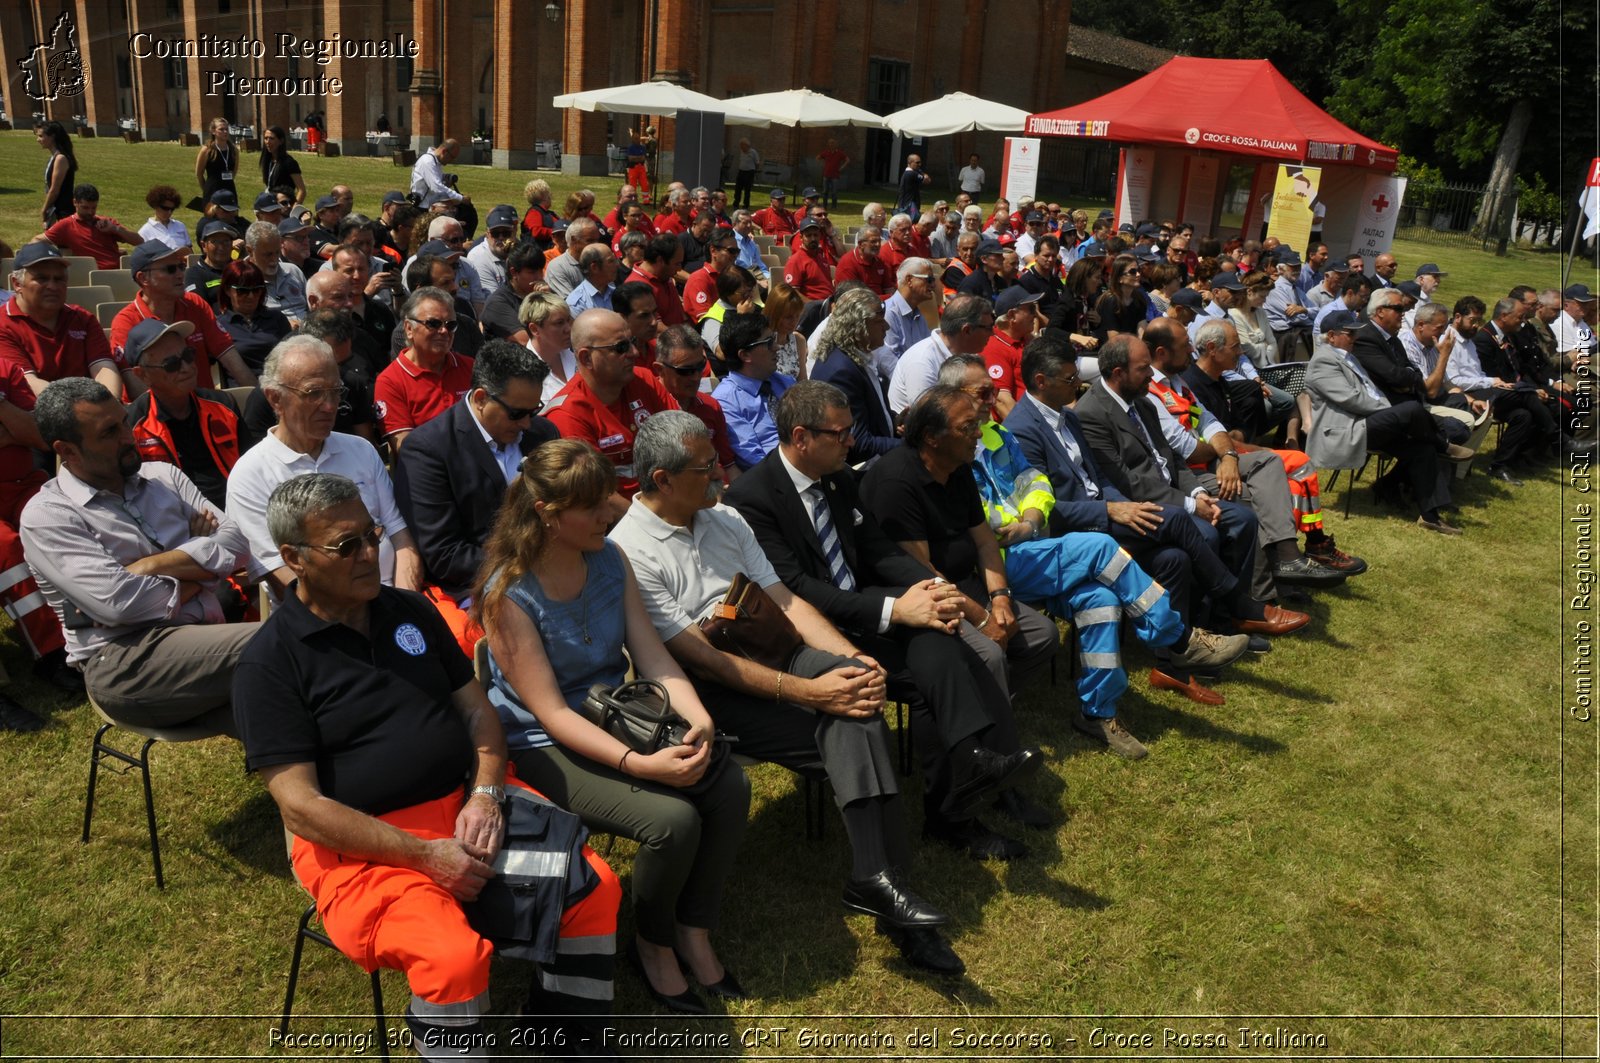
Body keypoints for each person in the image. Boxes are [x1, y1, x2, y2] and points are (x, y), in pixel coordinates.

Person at [236, 472, 620, 1057]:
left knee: (593, 889)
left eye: (372, 535)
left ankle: (563, 1035)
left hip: (471, 806)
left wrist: (486, 795)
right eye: (348, 546)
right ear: (293, 558)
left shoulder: (411, 612)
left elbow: (477, 716)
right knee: (452, 955)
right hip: (364, 847)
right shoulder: (269, 664)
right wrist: (423, 856)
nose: (372, 553)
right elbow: (303, 808)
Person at [617, 411, 972, 974]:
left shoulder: (725, 518)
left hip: (780, 653)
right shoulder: (629, 552)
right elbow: (703, 662)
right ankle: (895, 908)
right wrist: (814, 692)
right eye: (708, 468)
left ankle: (877, 881)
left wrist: (852, 660)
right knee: (857, 720)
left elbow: (785, 602)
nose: (722, 476)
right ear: (662, 479)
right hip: (715, 694)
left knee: (854, 700)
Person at [477, 439, 750, 1014]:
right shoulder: (509, 596)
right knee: (671, 821)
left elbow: (650, 654)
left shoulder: (609, 558)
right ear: (550, 517)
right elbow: (550, 713)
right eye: (597, 504)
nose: (615, 511)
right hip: (544, 745)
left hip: (617, 714)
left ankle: (692, 931)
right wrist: (640, 765)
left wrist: (697, 716)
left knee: (727, 784)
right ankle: (651, 947)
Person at [938, 357, 1247, 758]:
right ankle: (1179, 638)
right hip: (994, 562)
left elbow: (1036, 483)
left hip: (1031, 542)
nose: (994, 399)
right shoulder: (953, 447)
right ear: (953, 397)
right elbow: (981, 520)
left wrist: (1030, 519)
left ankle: (1097, 714)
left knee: (1099, 602)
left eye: (993, 391)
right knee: (1101, 547)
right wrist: (1023, 522)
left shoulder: (996, 434)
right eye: (983, 393)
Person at [22, 377, 260, 730]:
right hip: (124, 660)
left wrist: (149, 566)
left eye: (123, 422)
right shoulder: (49, 515)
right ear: (67, 451)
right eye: (108, 433)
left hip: (203, 636)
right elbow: (122, 605)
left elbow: (239, 546)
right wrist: (206, 574)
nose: (127, 436)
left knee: (284, 701)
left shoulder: (164, 477)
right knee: (278, 642)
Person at [1073, 335, 1309, 638]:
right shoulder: (1091, 414)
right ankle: (1208, 622)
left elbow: (1171, 459)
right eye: (1144, 369)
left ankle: (1231, 617)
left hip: (1176, 493)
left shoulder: (1142, 403)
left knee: (1243, 519)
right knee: (1207, 532)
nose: (1151, 375)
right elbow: (1128, 483)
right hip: (1144, 507)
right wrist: (1190, 504)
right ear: (1118, 373)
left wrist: (1197, 493)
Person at [228, 336, 424, 591]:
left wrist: (402, 603)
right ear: (275, 399)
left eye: (335, 391)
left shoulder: (361, 449)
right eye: (314, 393)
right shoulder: (250, 475)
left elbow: (400, 537)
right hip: (321, 619)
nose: (330, 406)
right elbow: (280, 575)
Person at [1172, 320, 1360, 582]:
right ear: (1213, 349)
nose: (1241, 353)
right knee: (1298, 464)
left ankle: (1298, 554)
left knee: (1295, 477)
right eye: (1236, 346)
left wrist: (1233, 441)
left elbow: (1228, 433)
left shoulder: (1220, 381)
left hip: (1228, 454)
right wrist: (1257, 448)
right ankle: (1304, 550)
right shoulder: (1193, 384)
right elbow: (1216, 440)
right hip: (1212, 464)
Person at [394, 339, 557, 638]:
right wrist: (531, 559)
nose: (526, 424)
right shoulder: (429, 451)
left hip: (556, 568)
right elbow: (444, 555)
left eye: (534, 411)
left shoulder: (543, 434)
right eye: (517, 413)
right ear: (481, 398)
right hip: (484, 584)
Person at [1305, 311, 1462, 535]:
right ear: (1331, 335)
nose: (1355, 338)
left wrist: (1392, 412)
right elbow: (1352, 400)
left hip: (1365, 421)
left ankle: (1429, 515)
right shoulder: (1323, 360)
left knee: (1421, 447)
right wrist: (1392, 412)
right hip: (1347, 429)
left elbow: (1372, 392)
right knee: (1411, 410)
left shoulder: (1348, 356)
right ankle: (1443, 444)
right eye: (1350, 334)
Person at [544, 308, 677, 497]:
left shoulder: (644, 379)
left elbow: (683, 439)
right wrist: (656, 523)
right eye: (621, 348)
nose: (634, 352)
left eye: (632, 342)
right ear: (586, 358)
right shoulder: (566, 414)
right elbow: (600, 494)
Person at [113, 240, 257, 397]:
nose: (181, 274)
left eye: (181, 266)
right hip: (159, 415)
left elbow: (230, 358)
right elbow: (137, 388)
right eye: (170, 269)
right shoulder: (126, 322)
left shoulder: (195, 304)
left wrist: (262, 401)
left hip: (206, 407)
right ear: (143, 278)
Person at [0, 243, 121, 398]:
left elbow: (104, 368)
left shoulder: (82, 318)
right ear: (17, 284)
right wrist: (84, 410)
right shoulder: (4, 325)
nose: (52, 286)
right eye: (41, 279)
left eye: (59, 279)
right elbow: (28, 382)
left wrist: (109, 405)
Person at [378, 287, 475, 450]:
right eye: (433, 324)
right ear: (409, 329)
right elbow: (405, 448)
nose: (444, 331)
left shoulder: (470, 366)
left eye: (451, 325)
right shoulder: (390, 381)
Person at [811, 288, 896, 463]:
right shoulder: (842, 372)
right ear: (859, 327)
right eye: (879, 321)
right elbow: (858, 443)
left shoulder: (854, 356)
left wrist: (895, 420)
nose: (886, 327)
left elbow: (871, 416)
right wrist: (909, 446)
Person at [709, 311, 791, 470]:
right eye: (768, 342)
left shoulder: (783, 381)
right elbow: (757, 462)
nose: (776, 347)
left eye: (773, 338)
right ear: (745, 355)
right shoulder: (726, 402)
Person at [889, 294, 995, 415]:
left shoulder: (971, 356)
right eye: (988, 328)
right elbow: (929, 416)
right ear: (967, 330)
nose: (992, 333)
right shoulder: (921, 361)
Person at [214, 260, 291, 385]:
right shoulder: (219, 326)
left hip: (280, 386)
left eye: (256, 290)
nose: (251, 296)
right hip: (244, 394)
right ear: (228, 291)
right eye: (242, 291)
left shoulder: (277, 318)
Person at [35, 184, 143, 270]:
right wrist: (54, 258)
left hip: (121, 272)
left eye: (94, 208)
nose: (90, 212)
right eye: (85, 208)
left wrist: (115, 229)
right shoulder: (66, 225)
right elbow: (36, 240)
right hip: (96, 274)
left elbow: (139, 241)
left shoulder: (107, 222)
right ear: (75, 203)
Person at [983, 287, 1045, 420]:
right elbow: (1002, 402)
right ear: (1012, 316)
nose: (1036, 315)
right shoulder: (994, 347)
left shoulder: (1026, 340)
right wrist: (1034, 432)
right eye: (1031, 309)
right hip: (1028, 425)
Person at [781, 218, 834, 303]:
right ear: (801, 237)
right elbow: (793, 292)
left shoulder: (821, 257)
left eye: (815, 235)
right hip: (813, 308)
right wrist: (813, 306)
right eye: (808, 235)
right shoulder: (795, 261)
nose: (813, 239)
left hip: (830, 303)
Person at [36, 120, 77, 227]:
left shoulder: (60, 158)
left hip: (63, 212)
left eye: (41, 136)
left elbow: (54, 189)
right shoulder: (55, 157)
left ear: (52, 136)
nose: (38, 140)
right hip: (56, 210)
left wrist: (44, 209)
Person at [194, 117, 238, 206]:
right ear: (213, 131)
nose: (225, 132)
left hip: (229, 189)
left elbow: (234, 172)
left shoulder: (233, 150)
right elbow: (199, 173)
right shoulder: (207, 150)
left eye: (226, 129)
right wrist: (206, 189)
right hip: (212, 191)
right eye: (221, 129)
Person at [258, 126, 306, 203]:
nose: (268, 141)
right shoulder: (268, 161)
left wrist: (294, 209)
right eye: (266, 138)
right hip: (272, 205)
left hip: (284, 205)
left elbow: (302, 190)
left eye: (272, 138)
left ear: (281, 141)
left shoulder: (289, 162)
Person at [138, 184, 192, 251]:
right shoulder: (144, 231)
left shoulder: (180, 225)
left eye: (172, 209)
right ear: (155, 206)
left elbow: (189, 250)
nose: (169, 212)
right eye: (165, 208)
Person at [896, 154, 930, 221]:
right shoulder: (912, 174)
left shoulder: (908, 173)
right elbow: (928, 180)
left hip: (906, 205)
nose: (919, 164)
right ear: (910, 162)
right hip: (909, 207)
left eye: (920, 162)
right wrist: (924, 174)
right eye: (917, 162)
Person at [817, 139, 849, 209]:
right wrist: (823, 165)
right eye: (830, 143)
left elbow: (847, 160)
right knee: (825, 191)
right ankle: (824, 206)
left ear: (836, 144)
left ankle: (834, 206)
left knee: (834, 192)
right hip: (826, 174)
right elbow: (818, 157)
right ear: (828, 144)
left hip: (835, 175)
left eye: (833, 143)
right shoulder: (826, 152)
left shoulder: (839, 153)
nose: (831, 145)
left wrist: (841, 168)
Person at [733, 140, 761, 211]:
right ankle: (736, 204)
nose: (741, 148)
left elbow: (757, 163)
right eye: (741, 146)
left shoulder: (753, 152)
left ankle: (746, 205)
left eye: (742, 146)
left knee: (747, 190)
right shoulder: (741, 152)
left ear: (747, 146)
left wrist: (755, 171)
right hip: (741, 171)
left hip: (749, 172)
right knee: (738, 188)